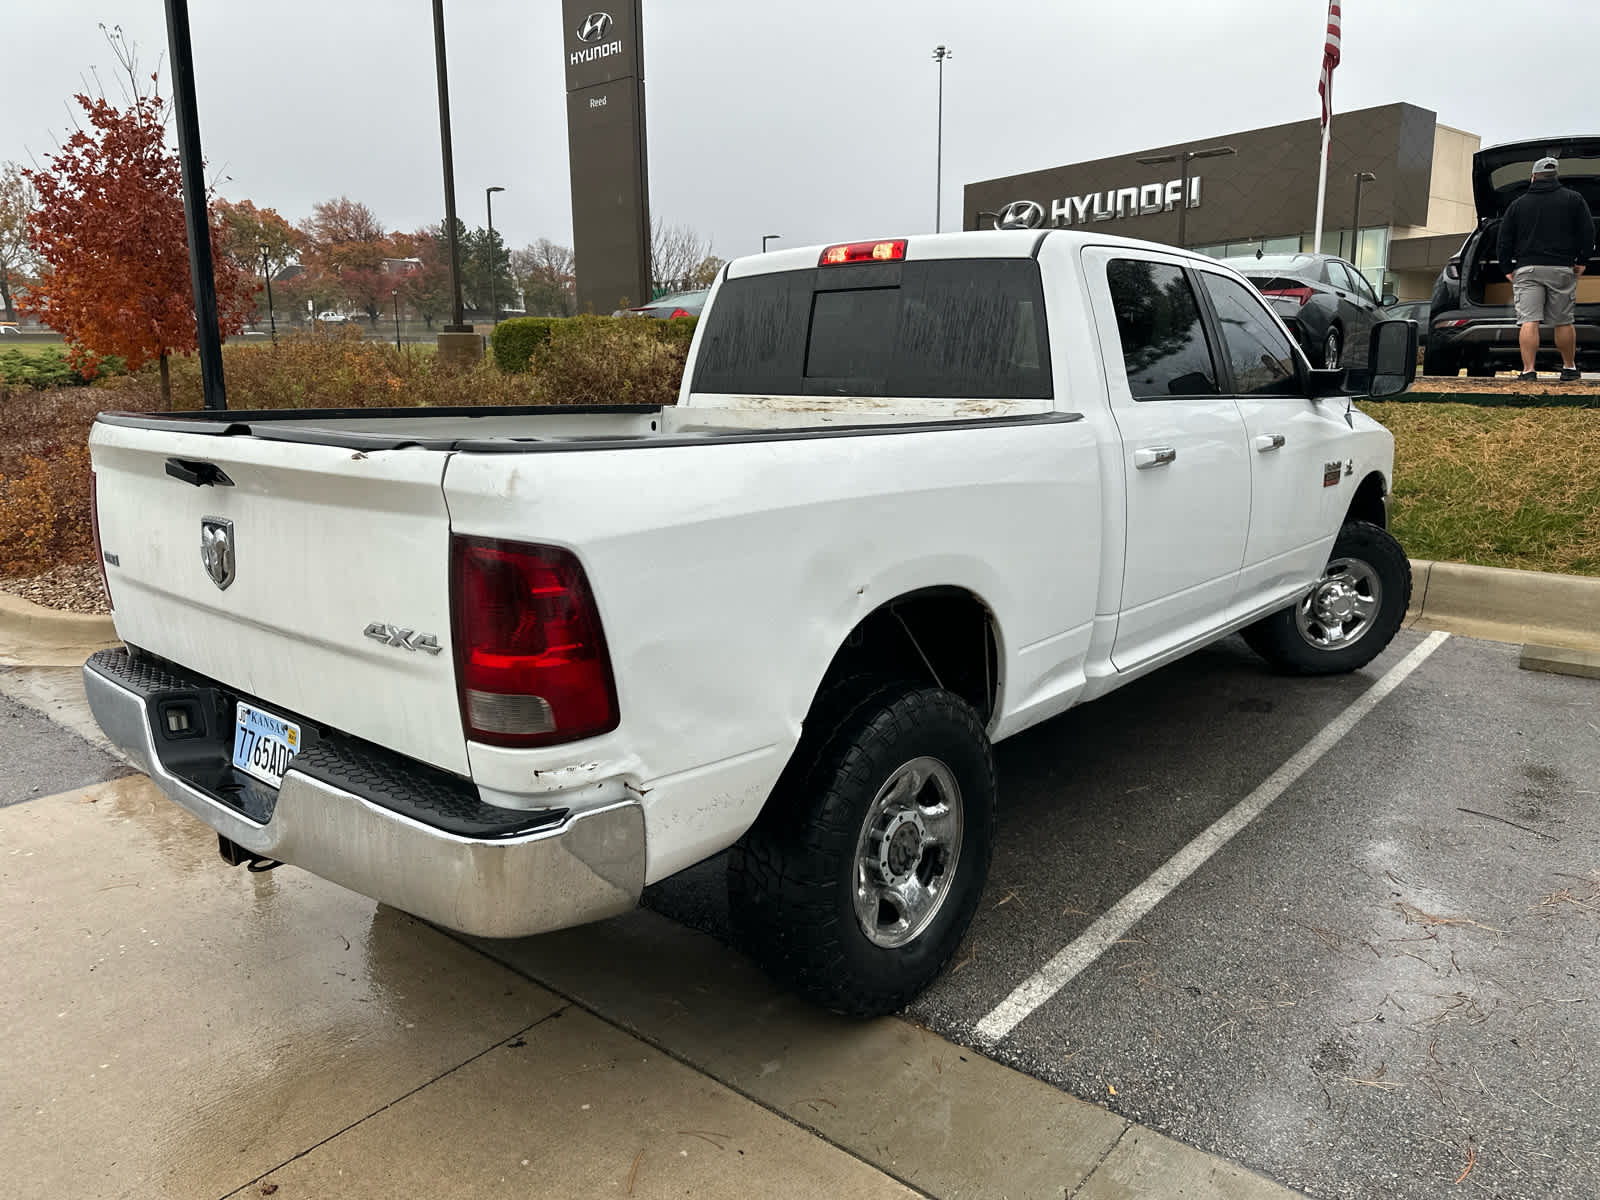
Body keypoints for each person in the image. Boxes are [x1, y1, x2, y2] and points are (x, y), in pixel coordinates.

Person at [1498, 156, 1594, 382]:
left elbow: (1504, 239)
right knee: (1563, 321)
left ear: (1533, 177)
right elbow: (1588, 232)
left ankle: (1529, 371)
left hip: (1527, 270)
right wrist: (1582, 260)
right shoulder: (1574, 199)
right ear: (1555, 176)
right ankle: (1569, 368)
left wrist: (1506, 267)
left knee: (1529, 320)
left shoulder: (1518, 204)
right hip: (1561, 269)